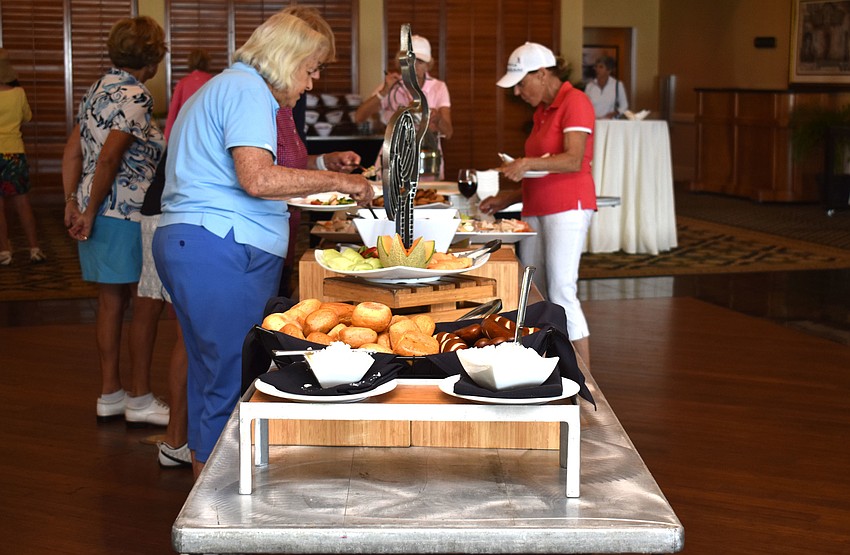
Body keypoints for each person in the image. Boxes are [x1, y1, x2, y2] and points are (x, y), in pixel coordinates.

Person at [152, 10, 373, 477]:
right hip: (221, 244)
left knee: (212, 374)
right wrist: (343, 182)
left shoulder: (228, 87)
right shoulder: (248, 89)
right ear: (285, 58)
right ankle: (215, 507)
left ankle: (206, 491)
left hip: (197, 241)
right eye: (310, 69)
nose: (311, 83)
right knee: (231, 377)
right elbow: (257, 178)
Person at [61, 16, 170, 427]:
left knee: (109, 303)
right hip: (127, 212)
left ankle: (111, 393)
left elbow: (74, 153)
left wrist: (74, 202)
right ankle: (140, 399)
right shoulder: (136, 95)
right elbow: (109, 157)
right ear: (153, 56)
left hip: (94, 206)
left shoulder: (96, 88)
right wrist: (87, 212)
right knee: (146, 305)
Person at [480, 42, 597, 369]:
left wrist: (526, 162)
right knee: (534, 294)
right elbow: (543, 170)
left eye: (521, 83)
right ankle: (546, 368)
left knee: (561, 291)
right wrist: (508, 197)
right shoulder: (542, 112)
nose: (518, 91)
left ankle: (585, 380)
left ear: (543, 74)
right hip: (537, 207)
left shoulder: (576, 102)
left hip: (567, 208)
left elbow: (573, 159)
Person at [353, 35, 452, 178]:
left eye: (420, 61)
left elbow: (448, 132)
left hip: (427, 161)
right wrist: (384, 92)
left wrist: (437, 119)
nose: (414, 66)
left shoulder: (438, 88)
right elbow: (359, 117)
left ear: (428, 64)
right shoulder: (391, 86)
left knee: (430, 199)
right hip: (393, 159)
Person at [0, 49, 45, 265]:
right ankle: (34, 248)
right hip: (15, 154)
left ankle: (5, 252)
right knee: (23, 203)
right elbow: (27, 117)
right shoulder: (19, 94)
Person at [164, 48, 214, 141]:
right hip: (208, 134)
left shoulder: (183, 83)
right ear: (207, 62)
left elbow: (173, 112)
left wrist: (167, 139)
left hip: (186, 132)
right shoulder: (214, 82)